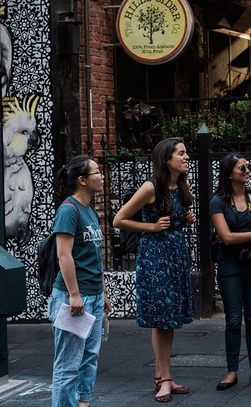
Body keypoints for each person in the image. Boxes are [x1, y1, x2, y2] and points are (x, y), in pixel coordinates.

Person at [112, 137, 196, 403]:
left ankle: (163, 376)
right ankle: (165, 377)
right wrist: (151, 227)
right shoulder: (150, 187)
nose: (186, 157)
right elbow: (119, 220)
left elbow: (171, 221)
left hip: (175, 254)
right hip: (154, 256)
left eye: (186, 153)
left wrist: (184, 220)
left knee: (168, 318)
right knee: (161, 317)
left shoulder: (182, 185)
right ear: (165, 159)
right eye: (181, 153)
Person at [48, 155, 110, 407]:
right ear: (82, 180)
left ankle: (83, 403)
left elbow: (94, 256)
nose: (102, 176)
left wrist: (103, 292)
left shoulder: (89, 210)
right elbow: (64, 256)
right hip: (74, 298)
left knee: (88, 358)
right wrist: (74, 294)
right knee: (68, 364)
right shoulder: (68, 210)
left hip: (93, 296)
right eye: (97, 172)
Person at [209, 152, 251, 390]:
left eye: (247, 167)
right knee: (233, 319)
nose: (247, 171)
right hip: (229, 265)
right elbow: (225, 237)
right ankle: (231, 370)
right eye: (241, 168)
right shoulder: (218, 201)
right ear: (229, 173)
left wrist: (247, 237)